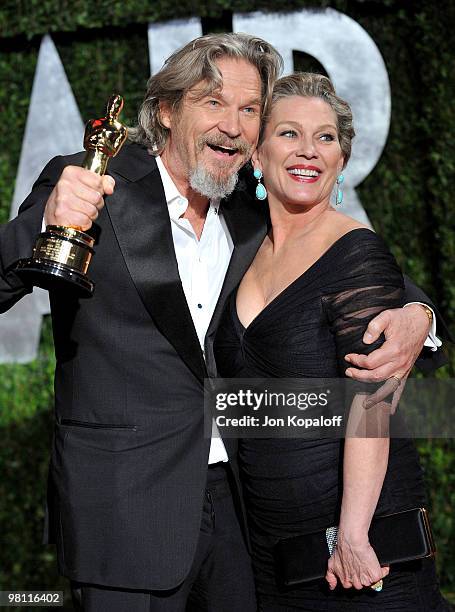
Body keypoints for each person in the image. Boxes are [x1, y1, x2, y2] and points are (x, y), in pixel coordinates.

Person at [0, 34, 446, 611]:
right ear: (165, 110)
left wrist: (420, 315)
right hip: (124, 507)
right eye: (214, 102)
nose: (233, 126)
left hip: (242, 512)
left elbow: (361, 272)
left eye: (250, 109)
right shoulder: (91, 181)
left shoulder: (249, 210)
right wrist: (41, 229)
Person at [214, 72, 450, 610]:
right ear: (257, 153)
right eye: (289, 134)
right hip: (271, 546)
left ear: (341, 160)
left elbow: (373, 401)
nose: (309, 151)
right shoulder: (241, 248)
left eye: (326, 138)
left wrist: (352, 533)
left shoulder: (355, 251)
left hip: (359, 544)